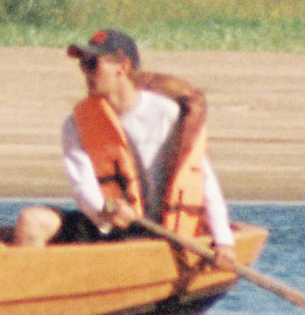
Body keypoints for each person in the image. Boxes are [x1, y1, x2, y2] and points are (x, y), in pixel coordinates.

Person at [47, 26, 231, 251]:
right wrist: (108, 209)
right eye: (83, 64)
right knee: (33, 221)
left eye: (93, 64)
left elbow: (203, 178)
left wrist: (224, 241)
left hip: (160, 230)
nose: (86, 73)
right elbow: (82, 187)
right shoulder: (75, 124)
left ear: (123, 67)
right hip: (108, 224)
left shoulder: (166, 113)